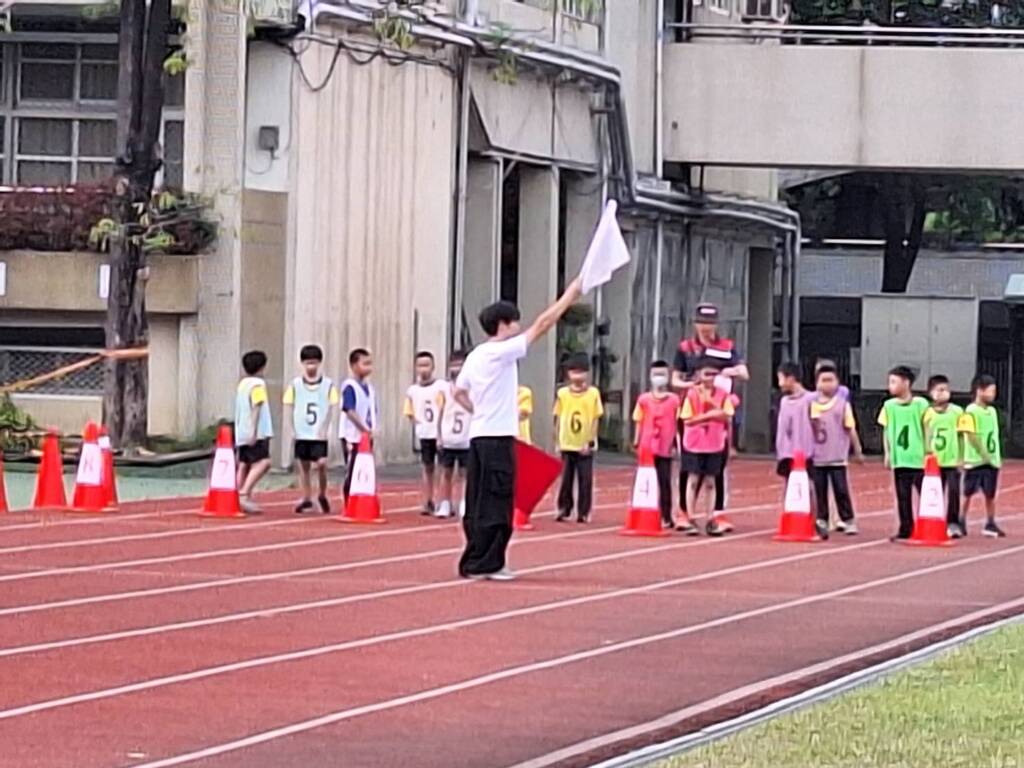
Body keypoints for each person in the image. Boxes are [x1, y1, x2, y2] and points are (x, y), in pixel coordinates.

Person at [453, 277, 583, 581]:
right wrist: (571, 294)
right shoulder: (499, 352)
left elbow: (458, 392)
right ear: (502, 324)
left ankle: (477, 558)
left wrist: (478, 411)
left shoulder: (475, 356)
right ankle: (488, 562)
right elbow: (543, 324)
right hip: (497, 438)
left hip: (479, 436)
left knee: (479, 500)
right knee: (498, 500)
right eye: (514, 322)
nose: (518, 326)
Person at [673, 303, 748, 526]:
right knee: (689, 464)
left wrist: (730, 371)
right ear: (695, 324)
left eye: (710, 323)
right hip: (693, 410)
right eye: (702, 323)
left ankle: (717, 513)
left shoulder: (726, 347)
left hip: (719, 411)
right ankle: (684, 512)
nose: (706, 327)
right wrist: (691, 384)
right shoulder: (686, 348)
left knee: (717, 464)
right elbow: (675, 379)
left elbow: (744, 372)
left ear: (716, 324)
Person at [679, 358, 735, 537]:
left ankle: (711, 518)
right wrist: (710, 415)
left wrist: (714, 410)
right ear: (698, 375)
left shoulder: (723, 395)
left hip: (714, 444)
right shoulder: (691, 394)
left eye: (713, 374)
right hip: (694, 444)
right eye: (706, 374)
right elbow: (687, 419)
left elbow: (727, 416)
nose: (710, 377)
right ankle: (690, 516)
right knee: (693, 480)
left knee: (711, 482)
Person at [283, 345, 339, 515]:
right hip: (302, 432)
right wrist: (292, 429)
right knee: (304, 466)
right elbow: (288, 406)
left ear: (319, 363)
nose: (311, 366)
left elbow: (332, 406)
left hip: (318, 434)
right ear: (302, 364)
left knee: (321, 463)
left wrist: (325, 427)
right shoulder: (295, 385)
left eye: (314, 363)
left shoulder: (328, 385)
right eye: (308, 363)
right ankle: (306, 497)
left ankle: (322, 493)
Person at [810, 362, 863, 539]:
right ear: (817, 383)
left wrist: (858, 450)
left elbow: (851, 428)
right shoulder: (811, 405)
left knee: (841, 489)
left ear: (838, 383)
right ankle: (822, 519)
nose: (827, 384)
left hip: (837, 457)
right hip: (817, 457)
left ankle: (848, 519)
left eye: (831, 380)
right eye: (823, 380)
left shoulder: (842, 405)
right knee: (820, 490)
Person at [877, 365, 929, 541]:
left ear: (906, 383)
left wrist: (928, 450)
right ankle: (905, 527)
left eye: (894, 382)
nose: (890, 386)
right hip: (900, 458)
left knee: (925, 493)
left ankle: (928, 525)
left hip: (918, 458)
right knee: (902, 496)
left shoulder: (920, 404)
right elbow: (886, 431)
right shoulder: (889, 406)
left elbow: (927, 427)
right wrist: (887, 453)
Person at [554, 353, 604, 523]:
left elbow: (595, 418)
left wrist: (590, 440)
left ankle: (584, 511)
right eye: (574, 372)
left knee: (585, 480)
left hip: (584, 444)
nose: (578, 376)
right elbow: (558, 417)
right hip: (567, 442)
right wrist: (557, 440)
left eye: (581, 372)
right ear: (568, 374)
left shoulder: (593, 394)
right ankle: (564, 508)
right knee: (566, 479)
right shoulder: (562, 394)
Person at [633, 360, 682, 529]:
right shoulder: (644, 399)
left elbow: (678, 423)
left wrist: (676, 445)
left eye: (662, 374)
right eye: (656, 374)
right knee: (646, 481)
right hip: (647, 446)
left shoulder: (674, 400)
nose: (659, 378)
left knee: (664, 481)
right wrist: (636, 441)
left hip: (665, 446)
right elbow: (638, 420)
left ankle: (666, 516)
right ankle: (645, 513)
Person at [961, 374, 1006, 538]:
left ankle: (990, 522)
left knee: (990, 493)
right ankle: (961, 520)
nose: (993, 394)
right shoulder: (971, 411)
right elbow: (970, 433)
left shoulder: (992, 411)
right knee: (968, 492)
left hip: (991, 460)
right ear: (980, 391)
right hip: (975, 460)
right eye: (990, 391)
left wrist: (994, 457)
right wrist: (982, 452)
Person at [924, 374, 967, 538]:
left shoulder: (957, 412)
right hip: (934, 461)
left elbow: (962, 436)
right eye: (939, 390)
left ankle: (953, 523)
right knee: (935, 493)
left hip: (952, 460)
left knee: (954, 491)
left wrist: (962, 457)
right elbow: (926, 435)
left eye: (946, 390)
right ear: (931, 393)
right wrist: (926, 453)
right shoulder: (927, 413)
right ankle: (936, 521)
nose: (943, 393)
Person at [404, 351, 447, 515]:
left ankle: (443, 500)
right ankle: (428, 499)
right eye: (420, 365)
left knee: (443, 468)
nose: (423, 369)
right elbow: (409, 412)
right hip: (424, 434)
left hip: (440, 434)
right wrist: (418, 424)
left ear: (433, 367)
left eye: (427, 365)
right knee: (428, 467)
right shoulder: (412, 391)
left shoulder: (441, 387)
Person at [234, 350, 273, 514]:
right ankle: (244, 493)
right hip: (256, 432)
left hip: (241, 431)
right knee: (264, 462)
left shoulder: (242, 385)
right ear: (262, 367)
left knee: (244, 464)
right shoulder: (258, 385)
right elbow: (256, 407)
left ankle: (235, 494)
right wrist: (254, 431)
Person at [437, 350, 472, 520]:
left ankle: (465, 502)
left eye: (460, 365)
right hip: (448, 436)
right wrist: (438, 436)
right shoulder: (443, 389)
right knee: (446, 472)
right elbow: (440, 412)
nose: (456, 369)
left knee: (465, 473)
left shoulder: (472, 387)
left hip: (466, 438)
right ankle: (445, 502)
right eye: (454, 365)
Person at [341, 348, 378, 503]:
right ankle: (348, 499)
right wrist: (364, 428)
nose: (369, 367)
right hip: (352, 435)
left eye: (370, 363)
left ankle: (361, 498)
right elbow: (349, 410)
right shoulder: (349, 386)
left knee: (364, 468)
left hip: (366, 436)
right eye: (365, 363)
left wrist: (372, 429)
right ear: (354, 366)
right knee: (353, 467)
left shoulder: (370, 388)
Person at [775, 361, 816, 481]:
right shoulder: (784, 402)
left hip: (808, 454)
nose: (779, 384)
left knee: (810, 486)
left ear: (791, 379)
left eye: (781, 379)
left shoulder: (811, 399)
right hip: (788, 455)